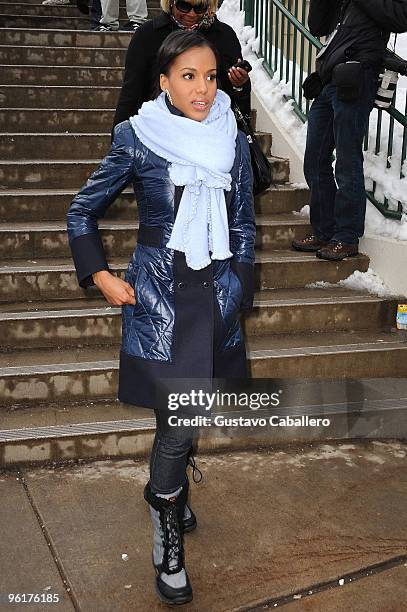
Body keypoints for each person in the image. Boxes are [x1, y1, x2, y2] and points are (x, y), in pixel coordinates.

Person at [66, 30, 255, 604]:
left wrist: (240, 287)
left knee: (185, 418)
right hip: (162, 300)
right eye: (189, 76)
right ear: (165, 82)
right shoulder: (138, 137)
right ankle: (167, 526)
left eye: (211, 76)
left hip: (214, 297)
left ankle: (168, 490)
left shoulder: (235, 140)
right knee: (177, 427)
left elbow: (244, 226)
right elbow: (82, 211)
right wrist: (101, 275)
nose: (203, 89)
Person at [292, 0, 407, 260]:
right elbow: (317, 26)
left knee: (346, 160)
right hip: (331, 77)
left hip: (359, 75)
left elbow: (401, 18)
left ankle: (346, 236)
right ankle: (324, 231)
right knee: (315, 159)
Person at [112, 0, 251, 130]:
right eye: (184, 6)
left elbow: (233, 97)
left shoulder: (224, 36)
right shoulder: (148, 35)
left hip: (212, 130)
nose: (191, 14)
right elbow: (131, 91)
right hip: (160, 130)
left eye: (199, 8)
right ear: (171, 2)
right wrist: (120, 140)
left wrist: (239, 84)